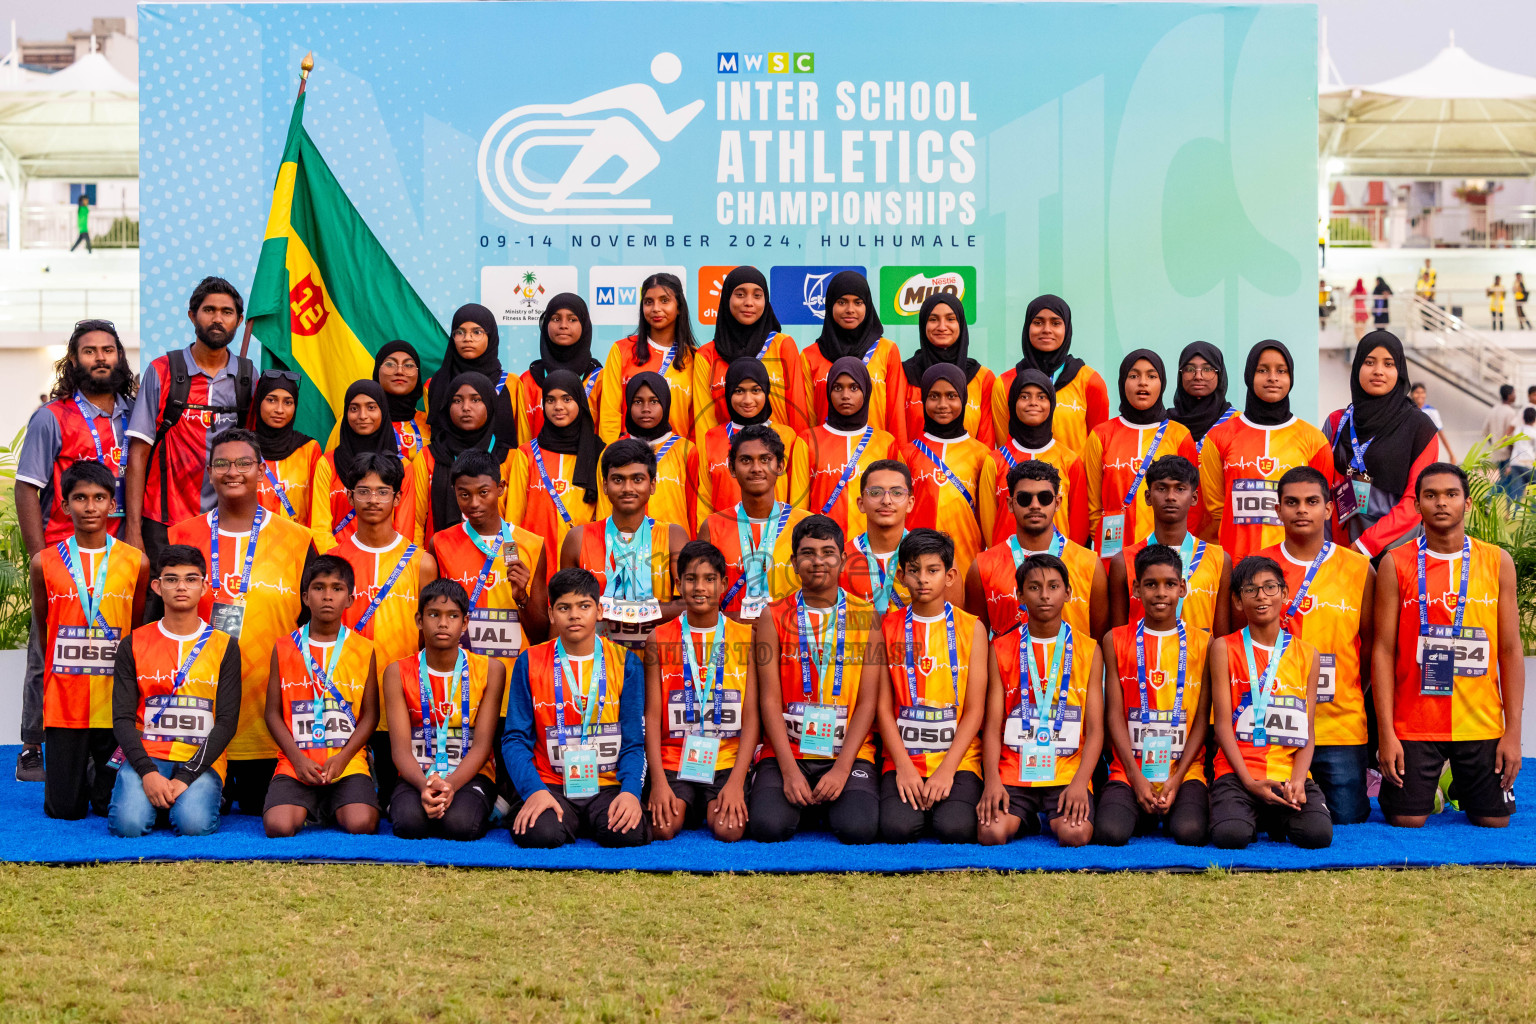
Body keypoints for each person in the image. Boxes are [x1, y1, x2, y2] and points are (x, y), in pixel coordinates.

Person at [167, 428, 316, 815]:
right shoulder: (182, 536)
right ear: (210, 472)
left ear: (261, 470)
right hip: (196, 713)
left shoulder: (298, 539)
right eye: (222, 464)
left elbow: (314, 625)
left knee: (255, 809)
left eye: (244, 463)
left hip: (268, 717)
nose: (233, 472)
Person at [14, 319, 137, 781]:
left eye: (108, 350)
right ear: (74, 359)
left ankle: (102, 745)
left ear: (120, 358)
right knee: (48, 648)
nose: (100, 358)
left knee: (112, 649)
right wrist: (37, 557)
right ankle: (33, 744)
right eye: (90, 351)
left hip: (118, 557)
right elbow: (28, 490)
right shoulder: (53, 417)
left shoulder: (135, 415)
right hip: (62, 555)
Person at [1374, 464, 1523, 829]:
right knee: (1406, 820)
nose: (1441, 503)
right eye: (1431, 495)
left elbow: (1511, 650)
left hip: (1481, 721)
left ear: (1467, 503)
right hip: (1415, 722)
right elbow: (1382, 651)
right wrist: (1386, 733)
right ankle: (1436, 787)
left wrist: (1513, 732)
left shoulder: (1497, 561)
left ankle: (1456, 780)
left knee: (1494, 822)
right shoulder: (1396, 563)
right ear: (1417, 506)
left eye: (1451, 495)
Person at [749, 515, 882, 844]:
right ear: (794, 562)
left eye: (828, 552)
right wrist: (790, 770)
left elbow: (867, 703)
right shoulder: (773, 616)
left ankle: (827, 800)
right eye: (808, 553)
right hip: (788, 752)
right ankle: (804, 797)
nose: (818, 561)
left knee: (859, 830)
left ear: (843, 560)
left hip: (847, 752)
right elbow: (769, 700)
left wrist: (841, 770)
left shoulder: (867, 616)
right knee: (768, 828)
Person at [32, 461, 149, 818]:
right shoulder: (45, 562)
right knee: (64, 809)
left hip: (115, 700)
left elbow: (136, 623)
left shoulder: (136, 562)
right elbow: (43, 624)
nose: (90, 506)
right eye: (80, 498)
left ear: (113, 505)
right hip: (65, 699)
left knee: (106, 805)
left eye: (99, 497)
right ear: (65, 506)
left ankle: (100, 776)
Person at [1259, 466, 1374, 825]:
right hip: (1271, 725)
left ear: (1328, 509)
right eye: (1291, 502)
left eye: (1312, 502)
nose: (1301, 510)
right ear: (1278, 510)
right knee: (1269, 822)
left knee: (1348, 820)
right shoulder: (1257, 567)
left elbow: (1371, 646)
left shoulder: (1359, 569)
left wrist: (1353, 689)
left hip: (1338, 726)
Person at [504, 568, 650, 848]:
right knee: (539, 834)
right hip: (551, 785)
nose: (574, 615)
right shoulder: (530, 661)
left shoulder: (626, 662)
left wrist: (631, 792)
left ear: (599, 611)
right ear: (551, 614)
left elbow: (634, 742)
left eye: (584, 606)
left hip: (606, 785)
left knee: (627, 833)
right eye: (564, 607)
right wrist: (533, 790)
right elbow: (514, 739)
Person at [108, 545, 241, 838]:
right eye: (171, 579)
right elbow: (122, 718)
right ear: (157, 586)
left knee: (194, 825)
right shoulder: (133, 643)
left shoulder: (225, 645)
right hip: (149, 754)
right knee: (128, 826)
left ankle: (189, 798)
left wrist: (187, 775)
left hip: (200, 757)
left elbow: (227, 721)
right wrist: (147, 772)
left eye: (191, 579)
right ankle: (149, 794)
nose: (181, 586)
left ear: (205, 586)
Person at [124, 277, 255, 571]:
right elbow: (138, 454)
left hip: (221, 523)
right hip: (161, 521)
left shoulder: (247, 376)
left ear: (239, 320)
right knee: (161, 611)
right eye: (209, 310)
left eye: (227, 312)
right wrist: (133, 530)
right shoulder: (162, 370)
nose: (218, 319)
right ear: (192, 315)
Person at [333, 452, 438, 808]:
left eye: (382, 492)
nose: (373, 500)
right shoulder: (334, 560)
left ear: (397, 498)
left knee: (399, 803)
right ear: (349, 497)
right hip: (344, 702)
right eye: (363, 491)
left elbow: (429, 637)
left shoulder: (421, 562)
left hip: (406, 704)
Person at [978, 553, 1103, 847]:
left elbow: (1096, 729)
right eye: (1034, 588)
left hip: (1066, 769)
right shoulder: (1000, 648)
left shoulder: (1089, 649)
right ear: (1019, 594)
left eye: (1054, 587)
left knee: (1076, 835)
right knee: (990, 833)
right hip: (1014, 768)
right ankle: (1027, 819)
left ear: (1068, 593)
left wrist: (1081, 783)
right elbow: (993, 725)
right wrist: (992, 781)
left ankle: (1039, 814)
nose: (1044, 595)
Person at [1208, 555, 1331, 850]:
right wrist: (1249, 783)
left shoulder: (1308, 654)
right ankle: (1250, 812)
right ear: (1238, 601)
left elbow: (1307, 730)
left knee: (1318, 835)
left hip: (1287, 772)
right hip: (1238, 774)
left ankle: (1269, 814)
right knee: (1230, 836)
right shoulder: (1224, 648)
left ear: (1285, 594)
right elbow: (1223, 726)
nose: (1261, 596)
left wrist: (1299, 781)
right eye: (1250, 590)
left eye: (1270, 587)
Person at [875, 529, 988, 844]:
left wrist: (947, 770)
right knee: (897, 830)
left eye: (932, 570)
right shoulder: (887, 627)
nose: (922, 579)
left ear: (950, 576)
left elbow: (975, 710)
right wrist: (904, 768)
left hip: (958, 758)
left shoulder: (972, 628)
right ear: (901, 575)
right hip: (904, 756)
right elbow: (883, 708)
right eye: (914, 570)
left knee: (954, 829)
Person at [643, 540, 758, 842]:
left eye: (709, 579)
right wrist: (657, 781)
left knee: (728, 830)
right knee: (661, 828)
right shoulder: (658, 637)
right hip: (674, 760)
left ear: (723, 584)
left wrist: (735, 782)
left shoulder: (746, 638)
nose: (700, 588)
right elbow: (653, 717)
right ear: (678, 584)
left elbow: (751, 718)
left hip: (725, 761)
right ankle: (688, 803)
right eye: (691, 579)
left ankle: (700, 804)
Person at [1098, 544, 1212, 846]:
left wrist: (1176, 778)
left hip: (1185, 772)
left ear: (1183, 588)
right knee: (1110, 833)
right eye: (1150, 584)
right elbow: (1113, 716)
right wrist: (1136, 778)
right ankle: (1142, 806)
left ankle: (1167, 804)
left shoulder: (1205, 643)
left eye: (1170, 584)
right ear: (1136, 589)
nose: (1160, 593)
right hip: (1129, 769)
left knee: (1190, 832)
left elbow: (1202, 720)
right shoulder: (1115, 640)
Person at [261, 555, 380, 837]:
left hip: (347, 762)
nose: (328, 596)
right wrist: (297, 760)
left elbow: (371, 715)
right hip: (296, 761)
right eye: (319, 588)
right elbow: (272, 713)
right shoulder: (284, 646)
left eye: (337, 589)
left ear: (350, 599)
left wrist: (343, 758)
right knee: (278, 827)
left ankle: (329, 804)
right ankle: (314, 803)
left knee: (361, 823)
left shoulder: (363, 649)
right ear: (305, 596)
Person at [382, 578, 506, 840]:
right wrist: (425, 786)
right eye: (433, 614)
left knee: (461, 826)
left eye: (452, 616)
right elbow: (400, 749)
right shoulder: (397, 672)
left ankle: (489, 804)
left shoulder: (490, 670)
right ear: (419, 620)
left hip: (470, 774)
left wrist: (449, 786)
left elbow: (483, 746)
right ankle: (403, 801)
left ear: (465, 623)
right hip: (417, 773)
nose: (442, 623)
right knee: (409, 826)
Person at [429, 448, 549, 698]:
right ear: (455, 493)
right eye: (464, 494)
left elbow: (540, 635)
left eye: (483, 492)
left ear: (501, 488)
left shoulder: (531, 545)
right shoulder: (440, 543)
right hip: (459, 682)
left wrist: (521, 599)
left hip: (515, 685)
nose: (474, 503)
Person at [1200, 340, 1333, 563]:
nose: (1272, 377)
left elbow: (1318, 508)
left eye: (1281, 371)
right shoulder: (1218, 437)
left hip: (1294, 566)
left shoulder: (1314, 440)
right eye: (1263, 370)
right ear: (1249, 375)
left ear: (1291, 378)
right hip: (1236, 565)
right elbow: (1217, 510)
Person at [561, 438, 688, 652]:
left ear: (653, 484)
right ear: (604, 485)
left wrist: (635, 612)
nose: (628, 488)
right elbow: (563, 607)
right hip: (596, 663)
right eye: (618, 480)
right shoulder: (577, 539)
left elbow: (690, 604)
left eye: (637, 479)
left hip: (658, 660)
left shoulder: (673, 536)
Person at [1323, 331, 1441, 557]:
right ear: (1357, 366)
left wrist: (1364, 546)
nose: (1378, 371)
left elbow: (1417, 501)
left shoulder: (1421, 428)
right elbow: (1319, 491)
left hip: (1396, 552)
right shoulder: (1337, 423)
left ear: (1400, 371)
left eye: (1388, 364)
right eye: (1369, 362)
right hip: (1338, 550)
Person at [966, 460, 1105, 641]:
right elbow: (976, 641)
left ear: (1057, 503)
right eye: (1024, 498)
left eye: (1044, 498)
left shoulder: (1090, 564)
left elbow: (1099, 642)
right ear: (1009, 504)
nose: (1035, 505)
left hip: (1071, 668)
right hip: (1007, 669)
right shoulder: (983, 567)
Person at [1082, 349, 1198, 562]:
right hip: (1113, 554)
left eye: (1151, 376)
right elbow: (1093, 505)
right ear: (1122, 382)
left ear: (1162, 383)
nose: (1142, 383)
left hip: (1168, 558)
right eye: (1134, 376)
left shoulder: (1179, 435)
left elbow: (1192, 504)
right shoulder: (1101, 435)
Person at [1108, 455, 1231, 637]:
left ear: (1194, 498)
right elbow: (1118, 638)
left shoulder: (1219, 559)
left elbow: (1222, 636)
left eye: (1180, 489)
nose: (1171, 497)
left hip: (1198, 664)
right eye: (1162, 488)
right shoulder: (1124, 561)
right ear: (1148, 497)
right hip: (1143, 664)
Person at [700, 424, 812, 622]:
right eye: (746, 460)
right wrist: (737, 621)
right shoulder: (712, 527)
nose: (756, 468)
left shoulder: (805, 524)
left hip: (791, 642)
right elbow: (702, 602)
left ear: (780, 466)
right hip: (731, 646)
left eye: (765, 459)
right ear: (732, 468)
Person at [901, 363, 989, 598]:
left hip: (965, 559)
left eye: (951, 396)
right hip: (917, 567)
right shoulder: (907, 453)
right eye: (934, 396)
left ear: (964, 398)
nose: (942, 405)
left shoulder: (981, 454)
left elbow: (986, 516)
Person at [505, 369, 602, 581]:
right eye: (550, 400)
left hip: (582, 567)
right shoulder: (527, 454)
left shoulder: (598, 453)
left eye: (566, 399)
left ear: (579, 401)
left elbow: (604, 520)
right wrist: (510, 567)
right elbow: (512, 521)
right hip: (532, 569)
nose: (558, 406)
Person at [978, 369, 1089, 548]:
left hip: (1057, 567)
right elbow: (990, 526)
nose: (1033, 403)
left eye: (1041, 397)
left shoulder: (1070, 461)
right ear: (1013, 403)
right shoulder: (994, 461)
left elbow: (1078, 526)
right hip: (1008, 566)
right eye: (1024, 397)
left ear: (1051, 404)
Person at [692, 266, 807, 435]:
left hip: (779, 456)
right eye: (740, 294)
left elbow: (798, 413)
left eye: (757, 295)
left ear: (765, 300)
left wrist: (794, 458)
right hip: (727, 458)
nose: (749, 302)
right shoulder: (707, 355)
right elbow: (704, 427)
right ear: (726, 299)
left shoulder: (783, 346)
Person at [990, 295, 1108, 457]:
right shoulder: (1005, 383)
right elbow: (1005, 449)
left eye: (1056, 323)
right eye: (1038, 322)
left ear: (1067, 328)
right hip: (1021, 479)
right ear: (1027, 327)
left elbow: (1097, 447)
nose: (1046, 329)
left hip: (1073, 481)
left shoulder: (1089, 380)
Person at [408, 371, 516, 546]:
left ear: (490, 404)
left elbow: (515, 520)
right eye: (457, 400)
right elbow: (416, 522)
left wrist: (510, 563)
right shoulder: (428, 456)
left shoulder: (511, 457)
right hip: (441, 560)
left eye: (476, 400)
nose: (466, 407)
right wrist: (421, 564)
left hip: (496, 562)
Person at [795, 356, 899, 538]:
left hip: (872, 548)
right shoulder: (808, 440)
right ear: (828, 392)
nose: (845, 395)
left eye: (854, 387)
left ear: (866, 391)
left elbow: (897, 503)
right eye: (837, 388)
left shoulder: (886, 443)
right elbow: (799, 509)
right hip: (823, 549)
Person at [696, 357, 809, 523]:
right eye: (739, 391)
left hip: (777, 537)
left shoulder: (787, 436)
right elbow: (704, 498)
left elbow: (798, 496)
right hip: (725, 537)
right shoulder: (712, 438)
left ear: (766, 391)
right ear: (728, 394)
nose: (748, 400)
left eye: (756, 390)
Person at [310, 381, 417, 550]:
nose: (362, 415)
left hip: (386, 565)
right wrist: (338, 566)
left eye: (371, 407)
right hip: (338, 566)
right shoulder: (327, 464)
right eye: (354, 408)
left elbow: (404, 528)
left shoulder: (402, 467)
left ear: (383, 411)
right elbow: (319, 528)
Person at [800, 270, 904, 434]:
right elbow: (807, 420)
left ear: (867, 306)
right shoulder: (810, 356)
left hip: (877, 454)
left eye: (858, 302)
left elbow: (896, 414)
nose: (850, 309)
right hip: (826, 454)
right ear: (830, 305)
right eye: (842, 302)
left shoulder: (887, 350)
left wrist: (895, 456)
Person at [596, 272, 697, 442]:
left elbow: (696, 422)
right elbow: (609, 415)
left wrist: (690, 460)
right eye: (649, 302)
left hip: (675, 459)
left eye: (664, 300)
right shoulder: (621, 350)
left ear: (679, 307)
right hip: (628, 459)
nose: (656, 308)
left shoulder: (694, 357)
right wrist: (611, 455)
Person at [894, 293, 996, 446]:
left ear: (961, 323)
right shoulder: (904, 374)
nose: (942, 327)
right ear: (923, 325)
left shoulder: (982, 378)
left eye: (950, 319)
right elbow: (898, 436)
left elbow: (985, 444)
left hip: (967, 469)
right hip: (913, 468)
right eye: (933, 319)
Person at [606, 371, 697, 534]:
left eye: (654, 401)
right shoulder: (612, 450)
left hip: (672, 547)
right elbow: (604, 509)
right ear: (628, 404)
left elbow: (694, 509)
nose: (646, 409)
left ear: (665, 403)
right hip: (623, 546)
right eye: (638, 401)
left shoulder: (687, 450)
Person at [424, 303, 519, 447]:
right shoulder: (435, 384)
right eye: (460, 332)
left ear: (490, 336)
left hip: (503, 465)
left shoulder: (512, 383)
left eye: (477, 332)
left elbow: (522, 434)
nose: (467, 338)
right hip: (447, 465)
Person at [323, 341, 432, 462]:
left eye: (409, 365)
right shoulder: (353, 420)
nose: (400, 371)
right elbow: (331, 467)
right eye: (390, 364)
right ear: (377, 371)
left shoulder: (429, 423)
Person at [519, 294, 603, 440]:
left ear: (584, 325)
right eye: (556, 319)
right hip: (538, 461)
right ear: (545, 325)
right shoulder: (528, 380)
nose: (563, 325)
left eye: (572, 319)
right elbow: (523, 441)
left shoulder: (600, 378)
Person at [839, 460, 914, 614]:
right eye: (875, 492)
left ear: (910, 503)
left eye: (897, 493)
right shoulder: (840, 559)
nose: (886, 501)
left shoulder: (933, 557)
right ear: (861, 503)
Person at [248, 369, 320, 526]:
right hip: (251, 546)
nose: (279, 409)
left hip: (298, 545)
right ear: (259, 401)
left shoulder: (309, 449)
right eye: (271, 400)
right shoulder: (242, 447)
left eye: (288, 402)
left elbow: (318, 509)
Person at [1168, 341, 1236, 455]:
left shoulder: (1235, 422)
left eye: (1207, 369)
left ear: (1220, 374)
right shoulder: (1165, 423)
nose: (1198, 377)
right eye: (1190, 369)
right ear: (1180, 375)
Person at [1409, 382, 1456, 463]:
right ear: (1411, 394)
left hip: (1427, 448)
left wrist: (1451, 454)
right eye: (1417, 392)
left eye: (1422, 392)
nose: (1420, 395)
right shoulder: (1408, 410)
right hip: (1410, 449)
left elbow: (1440, 433)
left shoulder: (1431, 411)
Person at [1503, 407, 1536, 501]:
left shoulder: (1518, 430)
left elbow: (1513, 445)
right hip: (1530, 465)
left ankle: (1513, 514)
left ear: (1523, 418)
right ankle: (1533, 513)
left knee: (1516, 493)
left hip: (1516, 464)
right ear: (1535, 419)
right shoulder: (1534, 433)